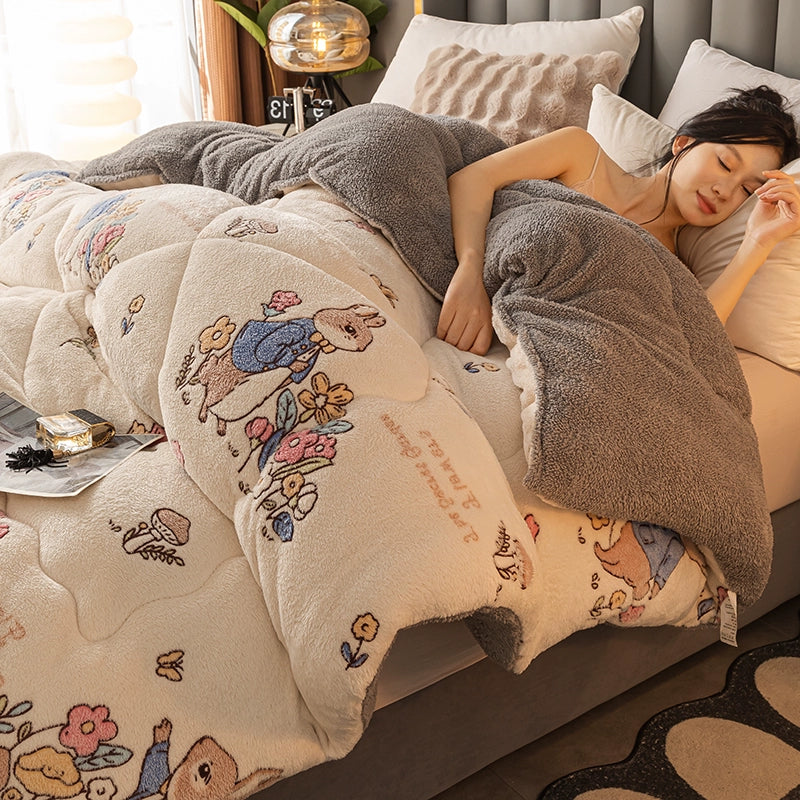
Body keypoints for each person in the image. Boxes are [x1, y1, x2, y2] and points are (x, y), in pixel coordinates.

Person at [437, 85, 800, 355]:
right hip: (450, 278)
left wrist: (758, 242)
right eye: (724, 164)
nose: (725, 190)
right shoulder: (579, 154)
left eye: (746, 190)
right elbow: (471, 179)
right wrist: (470, 272)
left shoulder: (671, 267)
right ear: (683, 143)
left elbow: (692, 341)